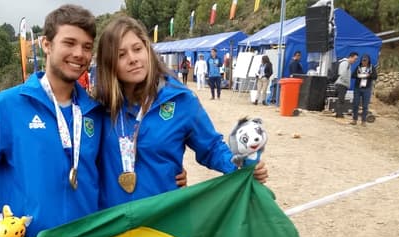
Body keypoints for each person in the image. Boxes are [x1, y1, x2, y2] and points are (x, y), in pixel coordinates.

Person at [0, 5, 102, 237]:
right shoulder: (9, 106)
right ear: (46, 44)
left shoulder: (94, 112)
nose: (79, 54)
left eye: (86, 46)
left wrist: (170, 175)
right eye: (70, 43)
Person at [94, 16, 268, 208]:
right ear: (109, 63)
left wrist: (238, 167)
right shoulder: (99, 108)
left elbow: (211, 146)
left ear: (147, 50)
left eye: (137, 49)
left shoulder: (181, 100)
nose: (133, 59)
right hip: (112, 223)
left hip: (163, 221)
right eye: (121, 55)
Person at [351, 54, 377, 126]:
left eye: (365, 60)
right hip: (358, 88)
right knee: (355, 104)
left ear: (368, 61)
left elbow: (375, 76)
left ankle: (363, 121)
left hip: (367, 89)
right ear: (361, 61)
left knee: (365, 105)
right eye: (363, 60)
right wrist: (359, 75)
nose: (364, 62)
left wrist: (369, 75)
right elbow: (352, 75)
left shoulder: (372, 68)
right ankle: (354, 120)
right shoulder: (358, 67)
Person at [334, 52, 359, 118]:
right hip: (341, 84)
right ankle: (339, 114)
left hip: (342, 84)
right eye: (355, 59)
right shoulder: (345, 63)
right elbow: (342, 73)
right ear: (350, 57)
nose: (355, 61)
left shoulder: (348, 64)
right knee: (341, 100)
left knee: (341, 99)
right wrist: (345, 82)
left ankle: (338, 113)